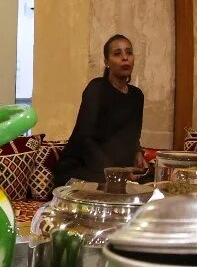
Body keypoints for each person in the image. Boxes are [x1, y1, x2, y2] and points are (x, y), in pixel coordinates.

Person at [54, 34, 146, 186]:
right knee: (113, 186)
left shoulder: (137, 96)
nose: (125, 58)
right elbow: (84, 138)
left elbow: (132, 134)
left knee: (153, 183)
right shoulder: (96, 89)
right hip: (84, 167)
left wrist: (138, 152)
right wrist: (115, 172)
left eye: (129, 53)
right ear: (107, 62)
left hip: (116, 170)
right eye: (117, 54)